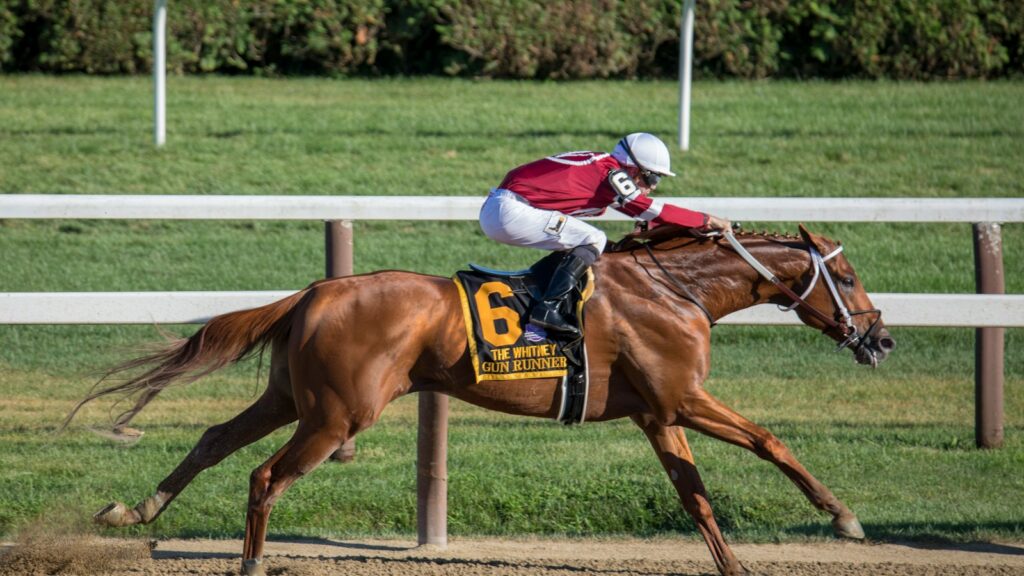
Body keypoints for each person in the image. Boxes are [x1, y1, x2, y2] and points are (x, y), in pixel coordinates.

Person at [479, 132, 731, 338]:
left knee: (594, 246)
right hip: (510, 210)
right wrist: (705, 219)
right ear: (633, 168)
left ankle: (546, 300)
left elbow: (642, 214)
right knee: (594, 239)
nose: (653, 185)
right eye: (651, 177)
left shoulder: (605, 172)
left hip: (505, 208)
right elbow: (648, 208)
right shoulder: (612, 171)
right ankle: (548, 308)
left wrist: (684, 228)